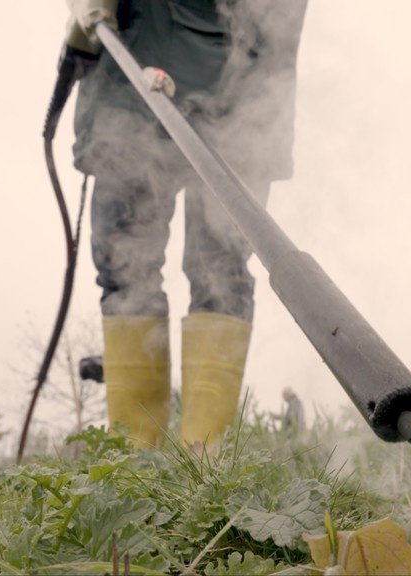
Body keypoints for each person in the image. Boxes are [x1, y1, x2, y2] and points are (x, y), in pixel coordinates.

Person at [64, 0, 308, 450]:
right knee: (134, 268)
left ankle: (197, 461)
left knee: (218, 266)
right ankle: (145, 461)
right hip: (139, 72)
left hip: (232, 84)